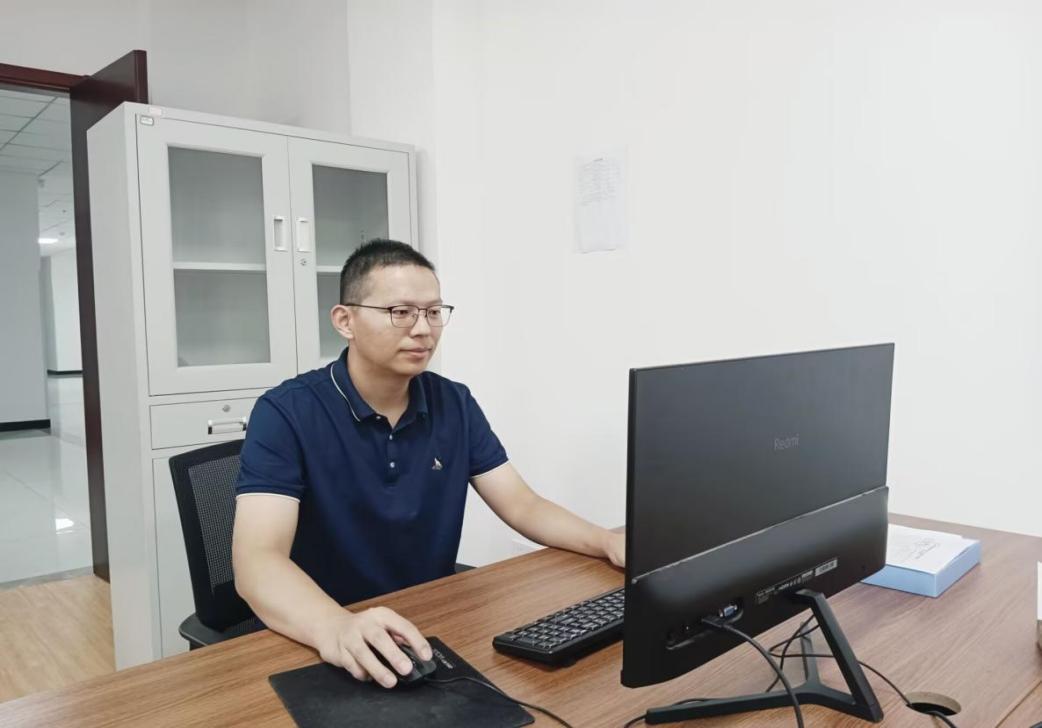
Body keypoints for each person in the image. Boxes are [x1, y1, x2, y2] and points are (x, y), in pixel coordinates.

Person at [232, 239, 625, 688]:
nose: (423, 329)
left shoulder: (453, 402)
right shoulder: (286, 412)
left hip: (430, 621)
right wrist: (336, 626)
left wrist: (606, 541)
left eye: (434, 312)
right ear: (345, 321)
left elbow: (522, 505)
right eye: (400, 312)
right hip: (322, 631)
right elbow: (258, 560)